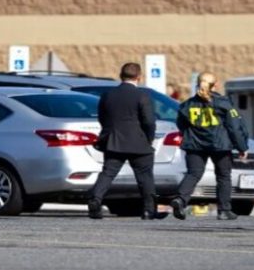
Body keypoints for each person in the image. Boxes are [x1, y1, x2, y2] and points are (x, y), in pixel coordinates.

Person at [88, 62, 164, 220]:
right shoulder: (142, 96)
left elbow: (103, 118)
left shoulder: (108, 95)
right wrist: (148, 139)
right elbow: (149, 122)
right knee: (145, 177)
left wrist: (108, 134)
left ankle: (95, 201)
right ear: (139, 77)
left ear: (120, 76)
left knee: (107, 173)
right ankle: (149, 210)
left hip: (114, 141)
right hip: (139, 142)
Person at [170, 72, 249, 221]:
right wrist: (241, 147)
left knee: (193, 174)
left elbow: (181, 125)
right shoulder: (223, 103)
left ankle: (180, 199)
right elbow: (234, 127)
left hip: (194, 145)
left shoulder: (186, 105)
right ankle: (224, 210)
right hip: (220, 145)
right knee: (223, 176)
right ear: (216, 85)